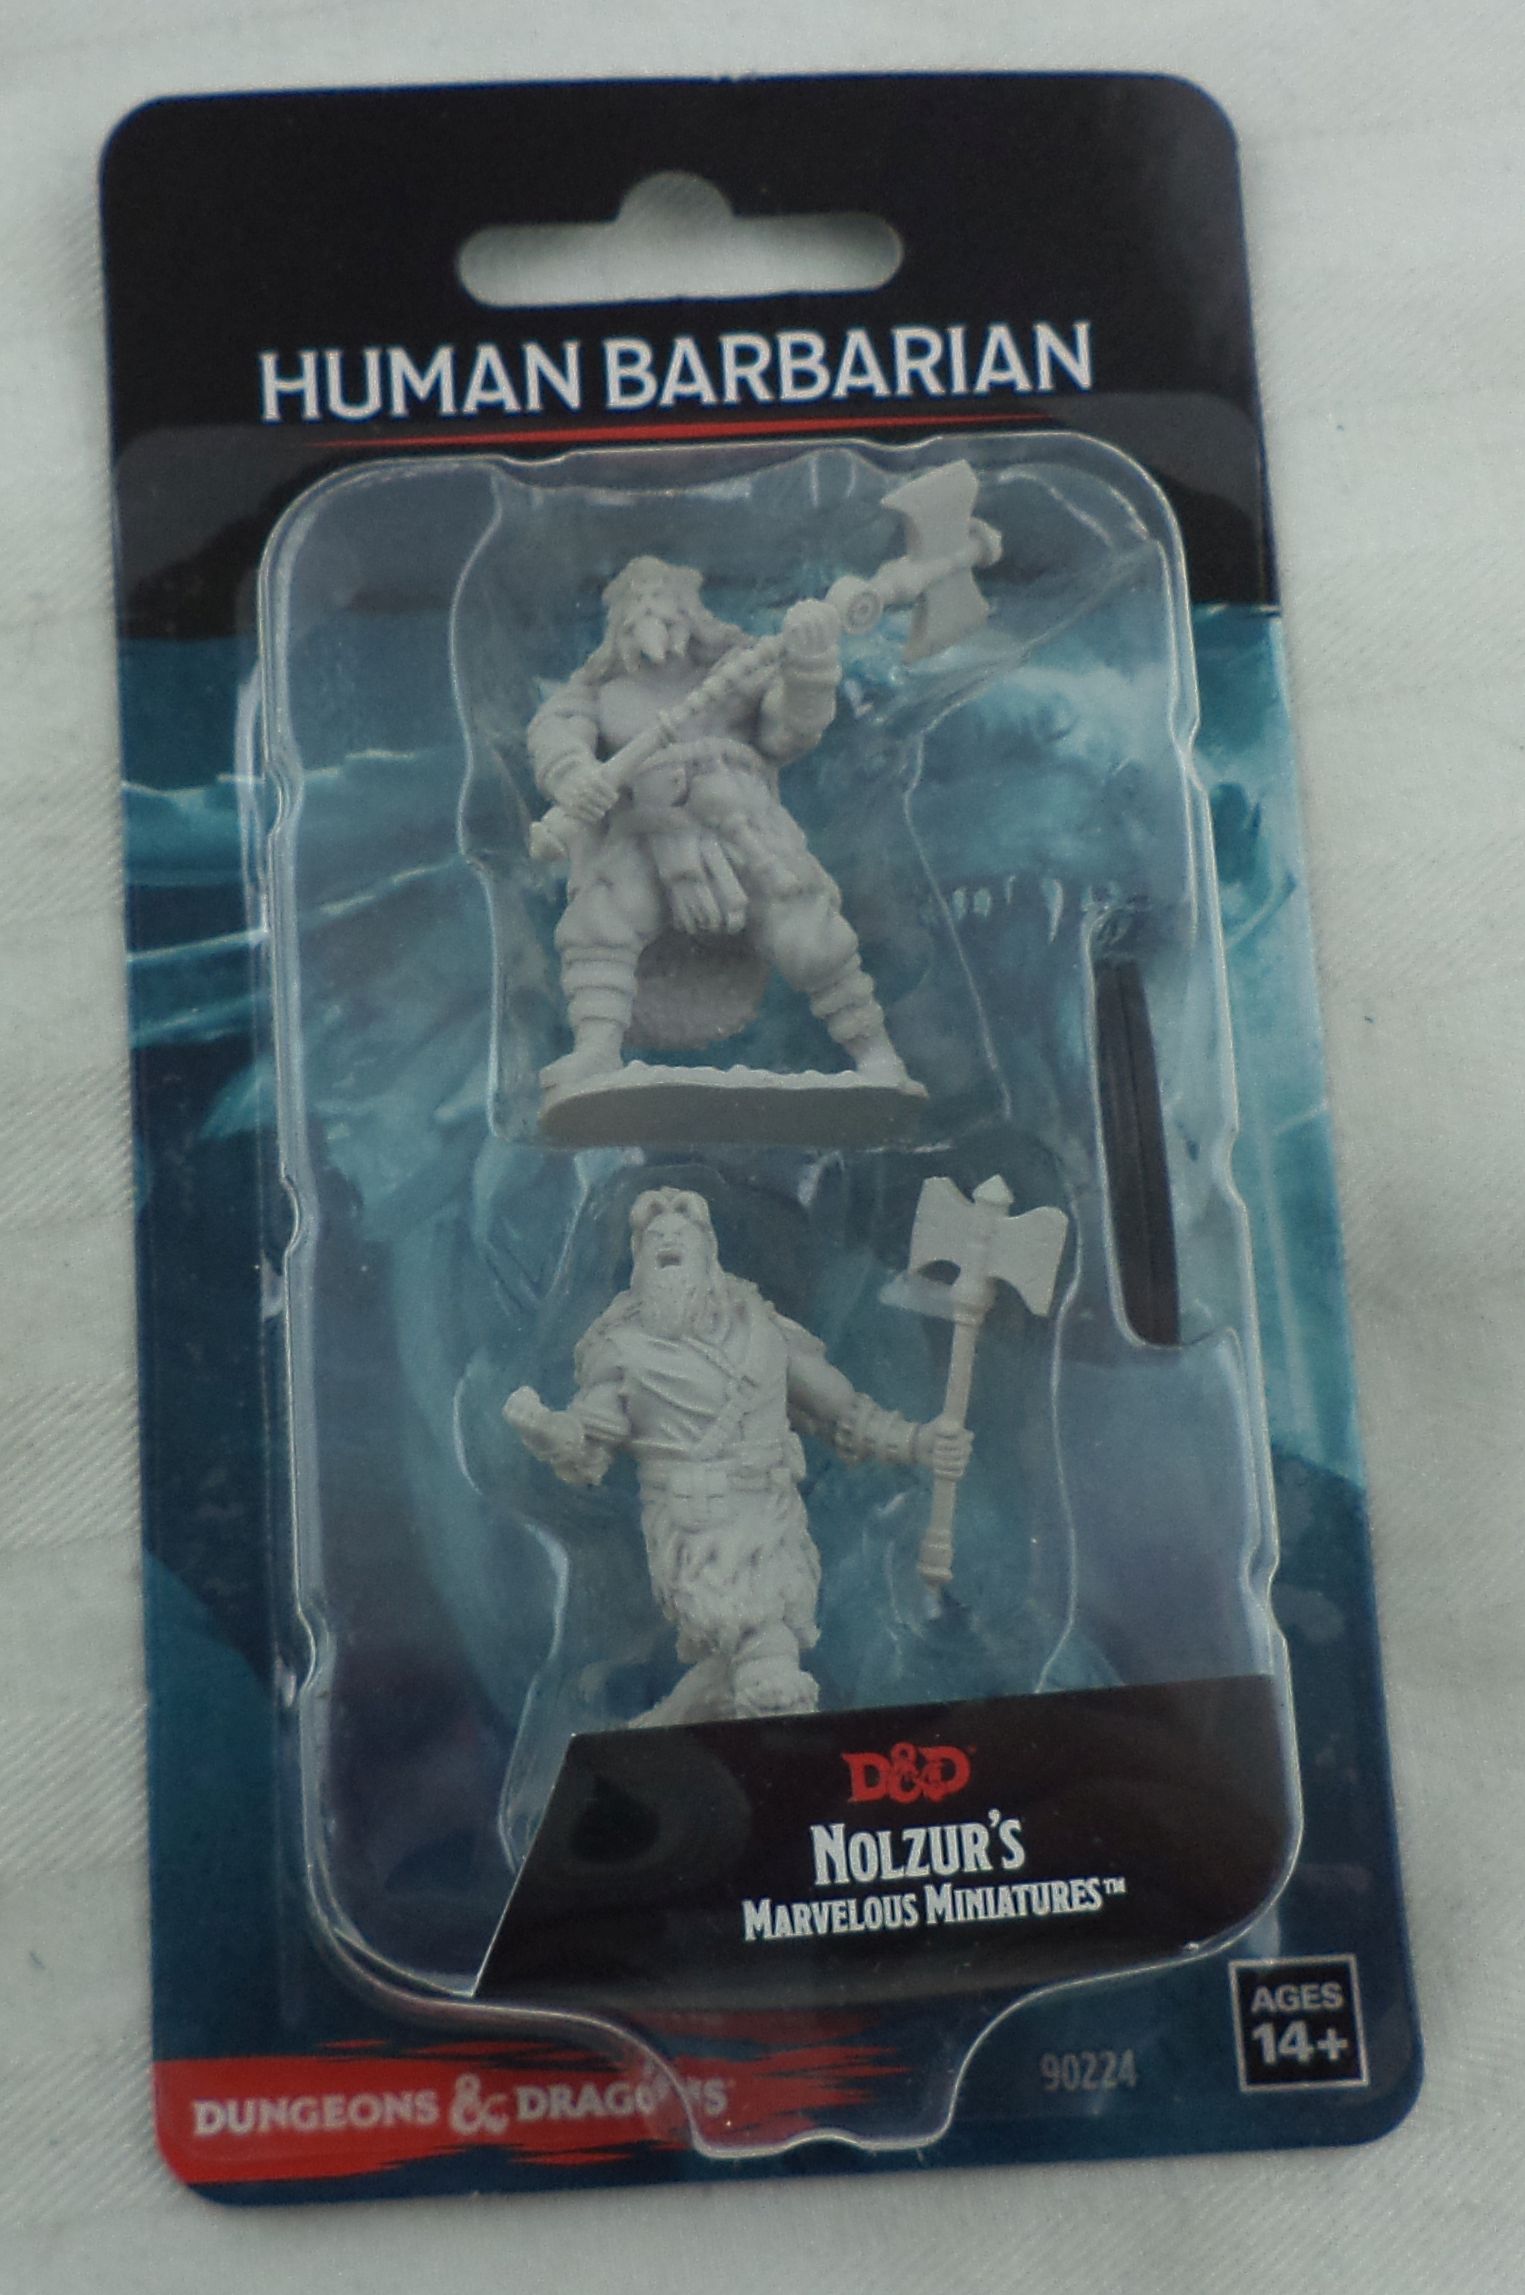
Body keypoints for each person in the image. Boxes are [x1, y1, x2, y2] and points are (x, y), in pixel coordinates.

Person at [504, 1188, 968, 1724]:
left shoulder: (762, 1331)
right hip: (698, 1533)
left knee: (747, 1664)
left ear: (709, 1251)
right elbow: (588, 1439)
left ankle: (653, 1736)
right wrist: (549, 1431)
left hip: (771, 1516)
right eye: (655, 1240)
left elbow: (841, 1412)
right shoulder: (624, 1350)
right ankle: (767, 1751)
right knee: (767, 1667)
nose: (668, 1242)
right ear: (639, 1263)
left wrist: (917, 1442)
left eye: (681, 1236)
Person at [527, 555, 911, 1095]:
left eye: (662, 601)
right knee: (600, 923)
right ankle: (595, 1053)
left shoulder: (740, 672)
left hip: (741, 827)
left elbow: (788, 731)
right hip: (648, 832)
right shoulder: (598, 691)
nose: (651, 614)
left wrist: (810, 664)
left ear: (691, 614)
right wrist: (574, 776)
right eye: (637, 606)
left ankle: (877, 1058)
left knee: (807, 935)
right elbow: (558, 730)